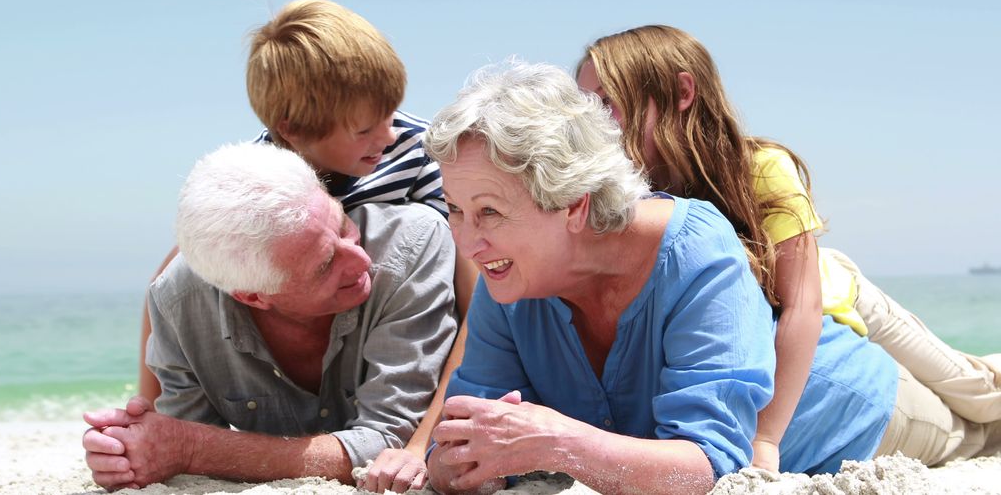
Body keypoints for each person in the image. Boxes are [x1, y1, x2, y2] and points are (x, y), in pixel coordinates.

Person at [421, 61, 1000, 495]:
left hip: (859, 413)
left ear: (575, 203)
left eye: (490, 212)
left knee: (982, 425)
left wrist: (558, 443)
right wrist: (455, 463)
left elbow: (713, 466)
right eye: (454, 209)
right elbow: (464, 441)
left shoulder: (692, 247)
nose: (467, 241)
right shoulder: (508, 276)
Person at [576, 24, 1001, 472]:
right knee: (949, 404)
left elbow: (803, 307)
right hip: (813, 307)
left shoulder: (758, 169)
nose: (591, 124)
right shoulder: (632, 194)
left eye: (607, 102)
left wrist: (766, 438)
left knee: (977, 391)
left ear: (682, 92)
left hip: (839, 292)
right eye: (583, 106)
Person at [134, 0, 478, 492]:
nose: (387, 134)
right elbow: (171, 285)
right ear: (291, 134)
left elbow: (477, 302)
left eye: (390, 112)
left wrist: (420, 441)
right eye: (364, 127)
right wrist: (149, 419)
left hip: (416, 302)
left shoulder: (417, 152)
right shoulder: (265, 168)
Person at [84, 143, 458, 490]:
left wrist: (192, 448)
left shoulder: (411, 247)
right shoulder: (179, 302)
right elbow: (180, 446)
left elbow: (392, 439)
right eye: (325, 265)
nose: (361, 261)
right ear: (251, 296)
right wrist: (125, 450)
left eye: (343, 225)